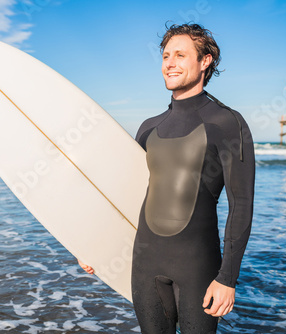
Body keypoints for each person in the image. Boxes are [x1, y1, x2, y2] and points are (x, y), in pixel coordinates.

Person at [78, 23, 255, 333]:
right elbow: (128, 195)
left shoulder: (226, 123)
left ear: (205, 61)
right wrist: (98, 246)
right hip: (145, 268)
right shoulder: (149, 127)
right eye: (165, 56)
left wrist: (227, 278)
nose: (170, 63)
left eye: (180, 55)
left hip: (197, 267)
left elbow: (240, 204)